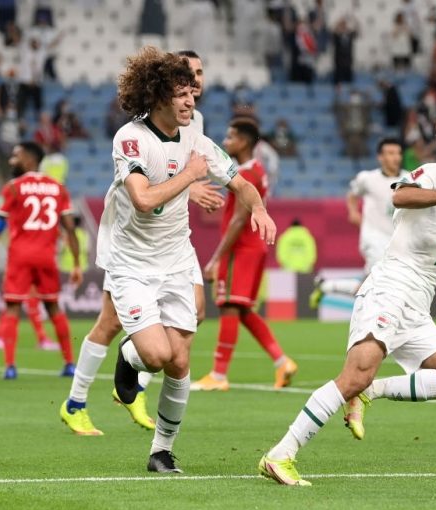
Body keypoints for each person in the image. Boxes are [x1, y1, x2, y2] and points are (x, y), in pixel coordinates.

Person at [259, 100, 436, 486]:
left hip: (419, 304)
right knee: (354, 374)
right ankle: (281, 454)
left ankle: (372, 391)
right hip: (390, 287)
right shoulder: (433, 174)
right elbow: (400, 196)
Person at [107, 46, 276, 473]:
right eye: (181, 94)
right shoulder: (131, 139)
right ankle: (129, 356)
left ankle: (161, 452)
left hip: (177, 260)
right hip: (132, 265)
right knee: (155, 356)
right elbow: (143, 200)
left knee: (179, 360)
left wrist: (258, 208)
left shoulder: (197, 142)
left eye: (192, 93)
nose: (190, 100)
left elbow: (241, 183)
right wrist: (190, 175)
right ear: (157, 95)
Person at [59, 49, 224, 438]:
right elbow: (148, 182)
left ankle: (138, 381)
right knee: (111, 322)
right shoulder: (142, 128)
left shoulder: (194, 121)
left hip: (173, 241)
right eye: (190, 75)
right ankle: (76, 403)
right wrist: (189, 184)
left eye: (200, 74)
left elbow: (188, 165)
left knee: (196, 313)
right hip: (132, 241)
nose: (197, 81)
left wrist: (194, 185)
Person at [192, 118, 296, 392]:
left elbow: (239, 219)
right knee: (243, 309)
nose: (225, 142)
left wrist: (216, 258)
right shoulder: (255, 170)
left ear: (245, 141)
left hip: (242, 247)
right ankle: (282, 361)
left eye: (231, 137)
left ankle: (218, 375)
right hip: (253, 247)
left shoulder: (247, 174)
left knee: (228, 305)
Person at [0, 141, 83, 379]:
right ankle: (69, 364)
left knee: (12, 307)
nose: (11, 161)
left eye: (15, 156)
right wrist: (76, 264)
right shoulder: (58, 188)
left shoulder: (14, 187)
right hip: (46, 257)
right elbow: (70, 228)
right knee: (53, 307)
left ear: (29, 159)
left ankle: (10, 366)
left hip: (20, 256)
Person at [310, 138, 410, 307]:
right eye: (390, 153)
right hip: (373, 238)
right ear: (380, 157)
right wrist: (353, 212)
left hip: (395, 240)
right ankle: (377, 319)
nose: (395, 157)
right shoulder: (367, 179)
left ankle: (326, 286)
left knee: (371, 285)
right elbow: (352, 195)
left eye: (398, 153)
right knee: (383, 283)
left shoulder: (409, 179)